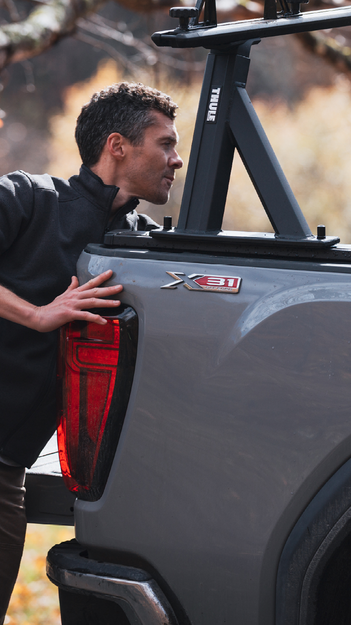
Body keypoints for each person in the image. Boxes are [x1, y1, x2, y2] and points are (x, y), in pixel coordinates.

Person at [0, 82, 182, 617]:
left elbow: (236, 258)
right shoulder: (30, 198)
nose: (177, 159)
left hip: (7, 470)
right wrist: (37, 314)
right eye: (165, 143)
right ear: (118, 146)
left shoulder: (139, 245)